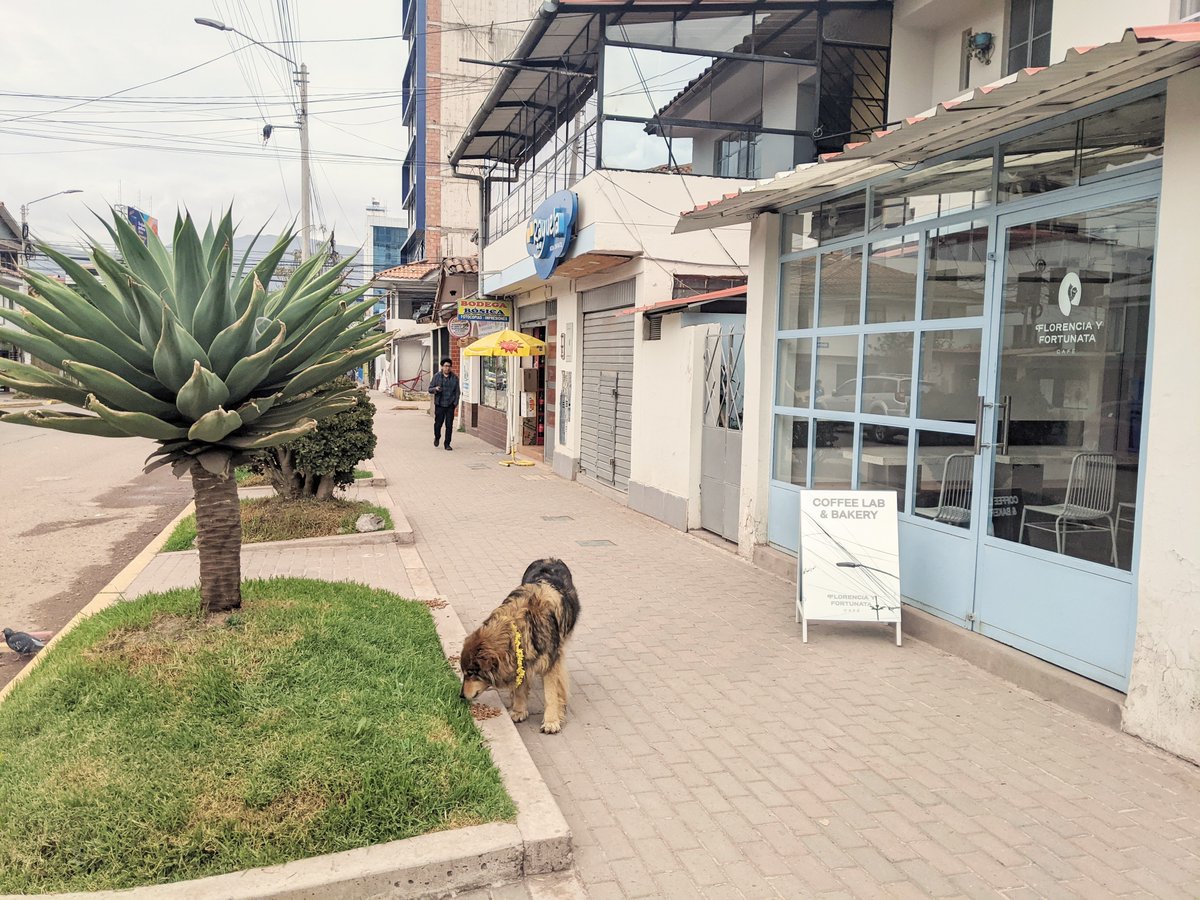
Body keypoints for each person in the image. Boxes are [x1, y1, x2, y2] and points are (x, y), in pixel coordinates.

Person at [429, 357, 460, 450]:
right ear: (442, 367)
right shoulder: (436, 376)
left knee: (449, 425)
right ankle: (437, 437)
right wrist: (435, 389)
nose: (447, 368)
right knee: (438, 424)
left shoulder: (454, 378)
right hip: (440, 404)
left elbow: (457, 392)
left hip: (450, 405)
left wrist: (455, 403)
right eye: (445, 366)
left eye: (449, 366)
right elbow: (430, 389)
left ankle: (447, 443)